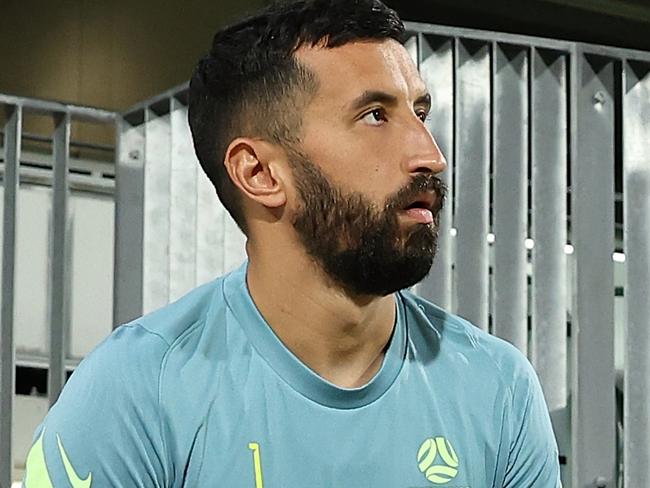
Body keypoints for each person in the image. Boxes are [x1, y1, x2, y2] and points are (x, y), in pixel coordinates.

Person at [22, 0, 561, 486]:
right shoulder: (137, 389)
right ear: (259, 173)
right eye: (375, 116)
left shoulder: (496, 388)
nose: (430, 155)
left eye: (418, 113)